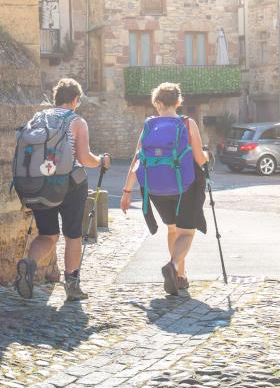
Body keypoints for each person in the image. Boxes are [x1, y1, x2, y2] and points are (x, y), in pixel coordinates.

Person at [15, 78, 110, 302]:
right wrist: (101, 160)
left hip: (38, 182)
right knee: (72, 235)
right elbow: (85, 158)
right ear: (75, 100)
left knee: (47, 234)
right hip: (70, 184)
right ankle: (72, 286)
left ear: (56, 98)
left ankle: (28, 265)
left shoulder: (38, 118)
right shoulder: (76, 121)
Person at [120, 82, 208, 296]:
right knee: (186, 231)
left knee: (172, 229)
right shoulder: (188, 123)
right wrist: (208, 156)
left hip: (156, 189)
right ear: (178, 102)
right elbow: (199, 159)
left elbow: (137, 159)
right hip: (184, 187)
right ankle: (173, 265)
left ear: (157, 103)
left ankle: (180, 275)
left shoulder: (149, 125)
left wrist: (127, 191)